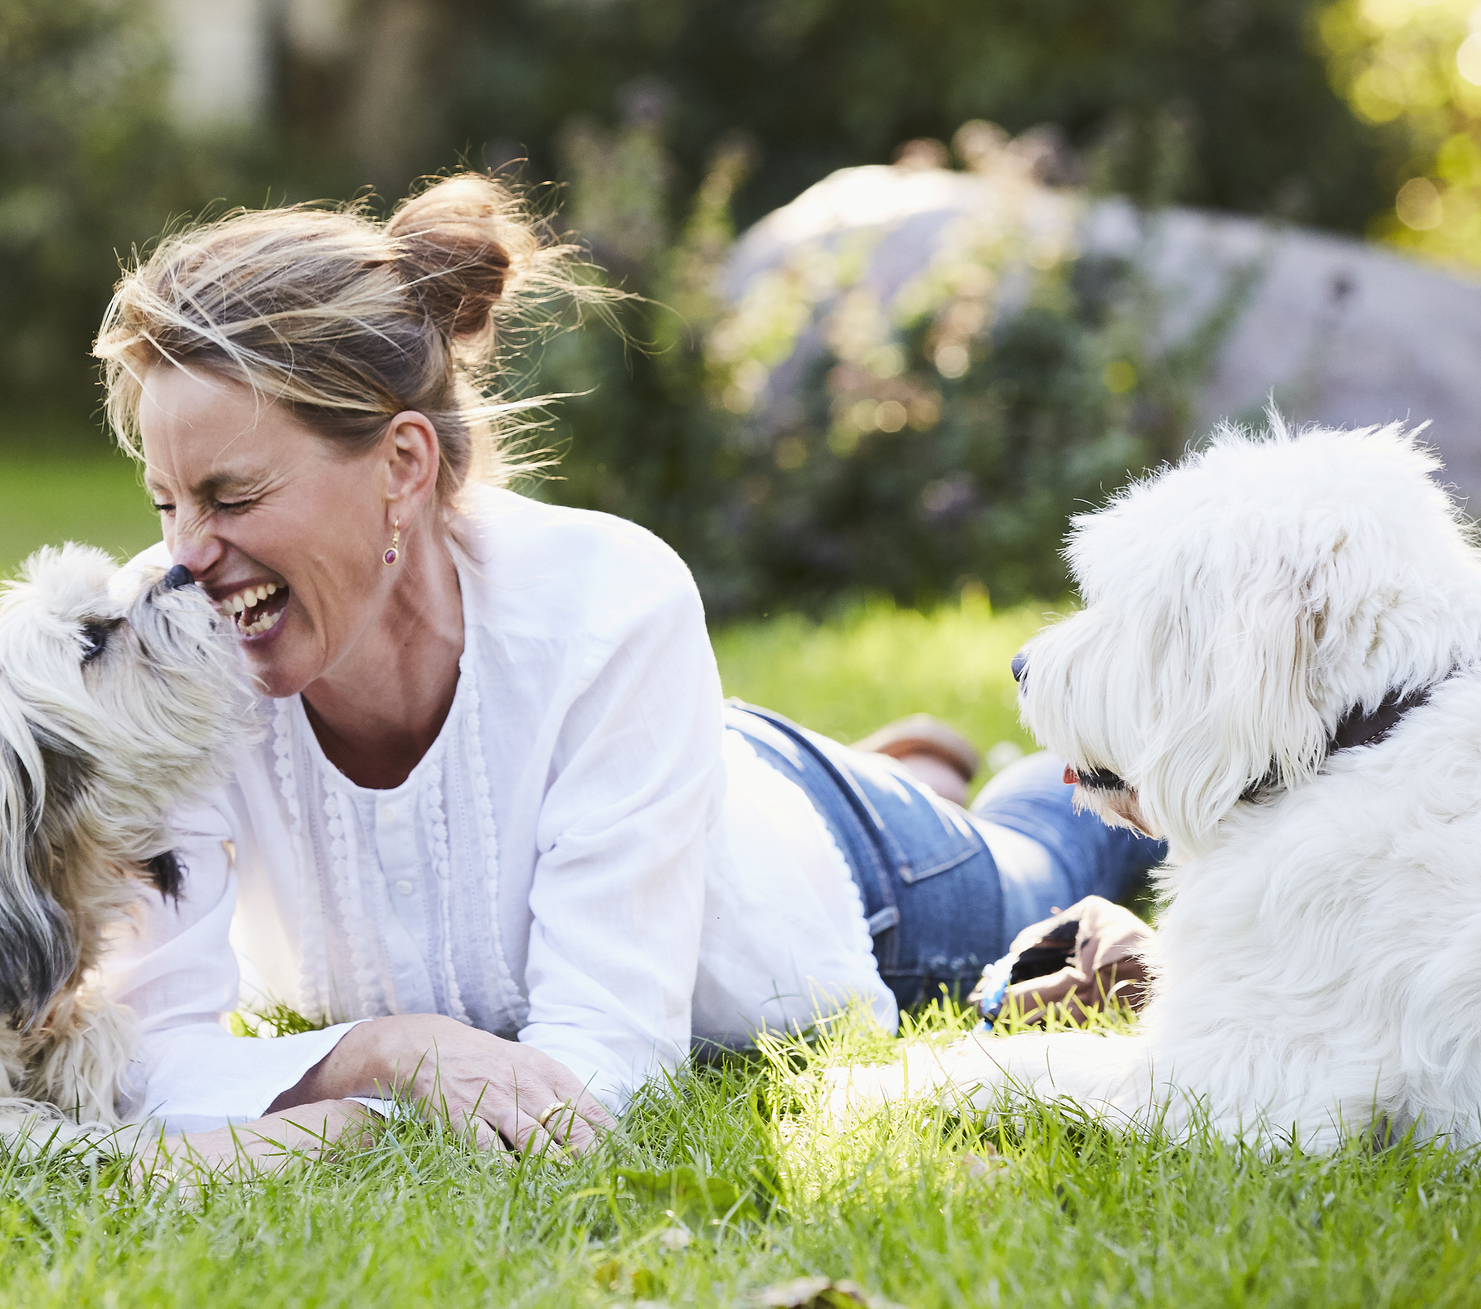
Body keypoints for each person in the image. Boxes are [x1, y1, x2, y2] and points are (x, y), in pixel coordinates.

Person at [89, 174, 1163, 1165]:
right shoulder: (164, 643)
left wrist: (340, 1109)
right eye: (165, 503)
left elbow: (596, 1080)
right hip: (663, 773)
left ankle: (974, 785)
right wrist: (381, 1049)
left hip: (848, 874)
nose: (184, 556)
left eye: (231, 499)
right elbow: (138, 1057)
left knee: (1041, 855)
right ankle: (914, 762)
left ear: (403, 465)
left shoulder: (607, 601)